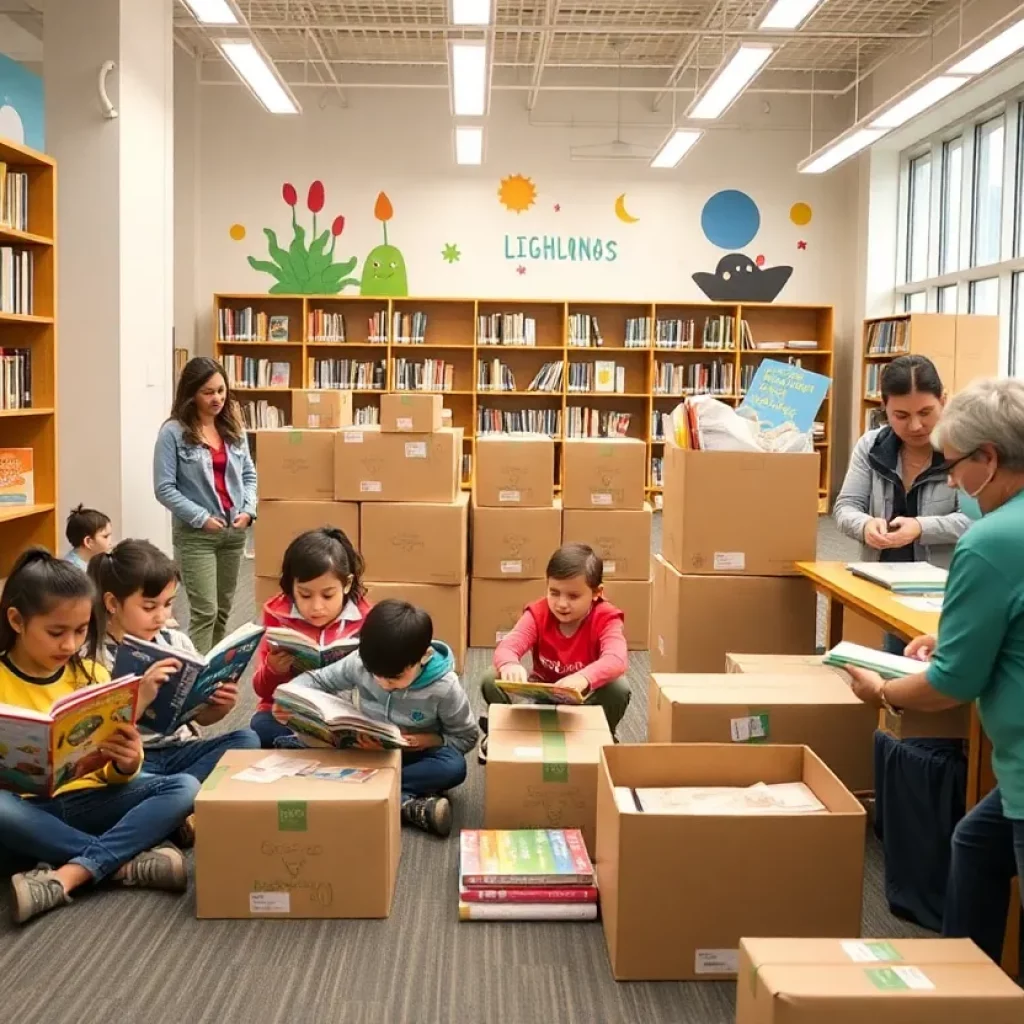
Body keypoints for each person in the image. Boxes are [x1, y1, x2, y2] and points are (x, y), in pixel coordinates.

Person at [845, 378, 1024, 964]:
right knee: (974, 845)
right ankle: (965, 982)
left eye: (954, 466)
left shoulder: (993, 540)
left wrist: (885, 692)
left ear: (989, 458)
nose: (950, 480)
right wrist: (955, 634)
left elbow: (951, 684)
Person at [0, 549, 197, 925]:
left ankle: (70, 872)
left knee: (183, 787)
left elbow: (112, 772)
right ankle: (122, 862)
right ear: (17, 621)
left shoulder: (92, 676)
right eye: (56, 632)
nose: (70, 645)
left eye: (79, 631)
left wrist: (128, 761)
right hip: (23, 811)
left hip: (89, 801)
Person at [92, 538, 260, 843]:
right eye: (149, 607)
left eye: (168, 604)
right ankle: (178, 804)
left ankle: (172, 805)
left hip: (181, 751)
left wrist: (219, 707)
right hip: (134, 762)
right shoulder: (96, 658)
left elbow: (201, 720)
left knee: (247, 738)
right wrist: (140, 697)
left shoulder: (175, 641)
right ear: (113, 604)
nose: (161, 615)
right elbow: (100, 737)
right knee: (119, 789)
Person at [286, 599, 477, 837]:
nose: (383, 684)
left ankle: (365, 791)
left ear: (424, 656)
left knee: (453, 767)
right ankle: (405, 803)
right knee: (264, 724)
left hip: (411, 758)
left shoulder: (444, 688)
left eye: (394, 678)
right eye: (375, 674)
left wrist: (431, 740)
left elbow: (467, 737)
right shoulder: (361, 662)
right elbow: (317, 680)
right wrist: (291, 697)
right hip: (360, 748)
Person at [834, 354, 970, 655]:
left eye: (926, 412)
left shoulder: (966, 449)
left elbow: (978, 521)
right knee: (895, 662)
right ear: (884, 408)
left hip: (945, 590)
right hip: (883, 582)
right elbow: (845, 507)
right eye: (901, 416)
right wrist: (866, 525)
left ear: (944, 400)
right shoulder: (870, 446)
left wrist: (921, 528)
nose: (916, 425)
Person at [478, 542, 630, 759]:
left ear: (597, 592)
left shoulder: (606, 617)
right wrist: (510, 663)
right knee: (491, 676)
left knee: (618, 687)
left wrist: (584, 677)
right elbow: (509, 645)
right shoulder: (538, 613)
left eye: (573, 596)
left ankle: (603, 735)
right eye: (554, 592)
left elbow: (617, 659)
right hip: (541, 695)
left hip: (583, 699)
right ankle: (503, 731)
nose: (561, 604)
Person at [153, 356, 257, 654]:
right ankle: (192, 682)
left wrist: (249, 510)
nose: (217, 399)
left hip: (233, 533)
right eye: (208, 392)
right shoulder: (172, 433)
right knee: (204, 612)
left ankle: (214, 676)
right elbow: (164, 488)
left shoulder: (233, 427)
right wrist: (200, 517)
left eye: (221, 390)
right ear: (191, 394)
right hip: (197, 536)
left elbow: (249, 473)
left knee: (223, 611)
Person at [250, 527, 371, 748]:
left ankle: (300, 749)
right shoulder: (277, 616)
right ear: (291, 587)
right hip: (290, 714)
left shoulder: (368, 619)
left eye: (328, 595)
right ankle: (314, 747)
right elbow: (262, 692)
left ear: (347, 584)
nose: (317, 607)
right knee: (261, 727)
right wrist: (274, 669)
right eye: (305, 595)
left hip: (346, 715)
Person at [63, 504, 113, 571]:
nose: (110, 541)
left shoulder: (96, 560)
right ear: (88, 541)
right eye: (105, 536)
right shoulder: (73, 572)